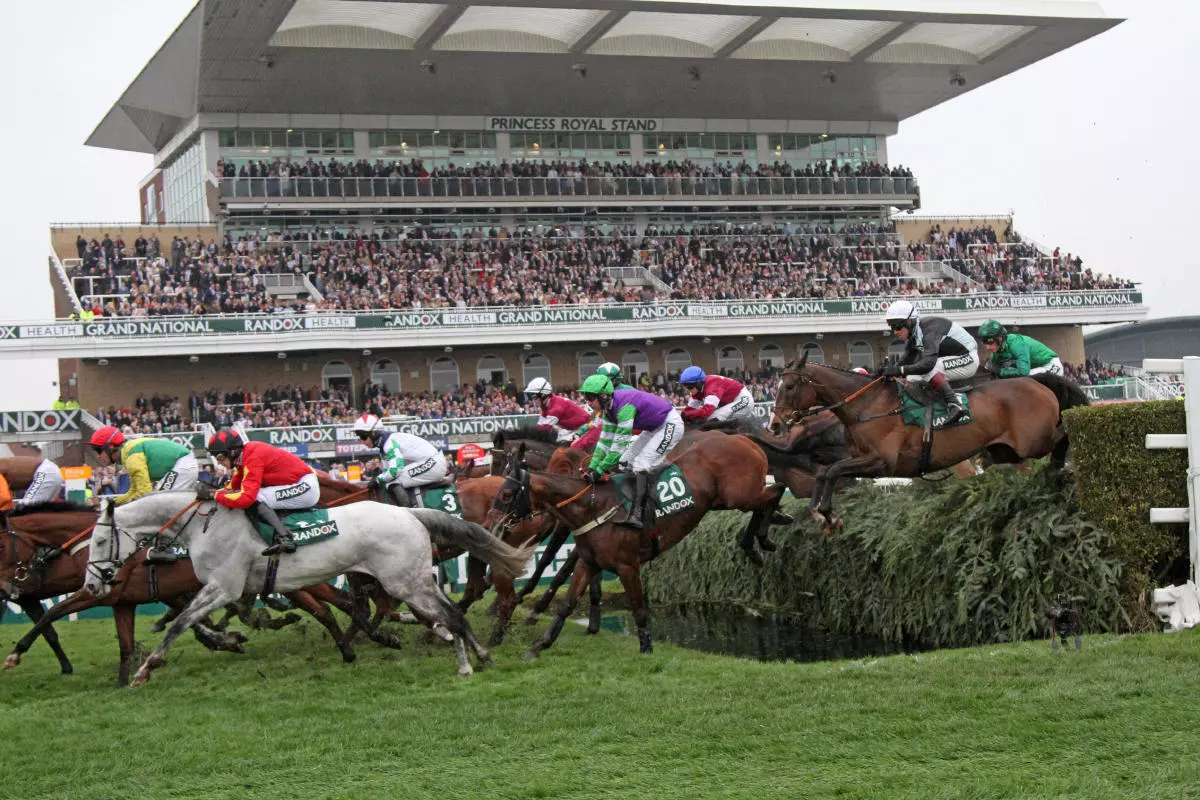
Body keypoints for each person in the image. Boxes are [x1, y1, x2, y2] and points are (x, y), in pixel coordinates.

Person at [579, 375, 684, 529]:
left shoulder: (624, 407)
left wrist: (600, 470)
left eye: (590, 397)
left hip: (670, 424)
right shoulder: (608, 411)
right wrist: (593, 468)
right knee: (624, 463)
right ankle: (636, 499)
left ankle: (638, 514)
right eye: (586, 397)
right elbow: (604, 444)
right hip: (653, 428)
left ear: (603, 396)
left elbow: (618, 447)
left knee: (641, 464)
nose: (587, 402)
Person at [89, 425, 200, 563]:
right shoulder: (128, 454)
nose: (98, 456)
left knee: (158, 502)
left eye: (99, 450)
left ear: (111, 447)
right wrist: (115, 503)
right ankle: (162, 544)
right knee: (156, 501)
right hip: (184, 464)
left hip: (183, 466)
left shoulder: (131, 456)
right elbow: (133, 492)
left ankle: (164, 548)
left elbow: (144, 493)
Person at [203, 428, 319, 556]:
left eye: (220, 457)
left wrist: (215, 495)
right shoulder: (243, 457)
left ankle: (285, 538)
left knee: (257, 497)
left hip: (305, 487)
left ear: (232, 451)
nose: (219, 462)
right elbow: (231, 488)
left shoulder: (252, 456)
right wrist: (212, 492)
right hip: (299, 483)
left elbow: (247, 498)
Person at [882, 299, 979, 426]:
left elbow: (928, 364)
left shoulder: (929, 329)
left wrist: (899, 370)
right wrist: (886, 373)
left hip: (968, 359)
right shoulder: (914, 335)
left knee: (927, 369)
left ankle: (955, 404)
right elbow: (903, 363)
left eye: (898, 326)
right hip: (953, 359)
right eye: (892, 327)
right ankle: (935, 409)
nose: (895, 332)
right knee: (912, 377)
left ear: (909, 321)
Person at [351, 413, 447, 508]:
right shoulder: (384, 446)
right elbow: (387, 471)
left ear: (374, 433)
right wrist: (378, 477)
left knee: (392, 481)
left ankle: (409, 512)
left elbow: (394, 471)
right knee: (390, 480)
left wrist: (377, 479)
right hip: (432, 462)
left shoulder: (389, 443)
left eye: (363, 437)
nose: (362, 442)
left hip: (434, 464)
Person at [574, 364, 634, 451]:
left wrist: (579, 438)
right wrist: (580, 433)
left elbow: (598, 424)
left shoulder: (608, 394)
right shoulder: (627, 389)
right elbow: (596, 422)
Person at [977, 320, 1064, 378]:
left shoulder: (1017, 344)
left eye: (990, 342)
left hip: (1050, 366)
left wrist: (1000, 371)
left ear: (1000, 338)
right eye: (984, 343)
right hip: (1032, 369)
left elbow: (1023, 373)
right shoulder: (996, 353)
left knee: (1025, 378)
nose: (987, 347)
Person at [678, 366, 755, 425]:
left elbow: (706, 412)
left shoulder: (712, 387)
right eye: (686, 387)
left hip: (743, 400)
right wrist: (680, 416)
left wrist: (687, 415)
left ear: (698, 383)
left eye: (689, 387)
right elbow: (689, 410)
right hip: (732, 400)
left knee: (713, 419)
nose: (688, 390)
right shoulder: (698, 389)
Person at [525, 377, 592, 443]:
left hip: (585, 427)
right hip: (573, 428)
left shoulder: (555, 409)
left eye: (534, 397)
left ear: (543, 394)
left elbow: (542, 431)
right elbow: (538, 427)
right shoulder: (549, 404)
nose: (533, 401)